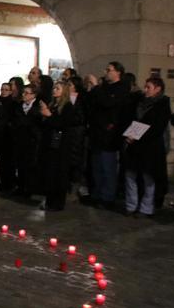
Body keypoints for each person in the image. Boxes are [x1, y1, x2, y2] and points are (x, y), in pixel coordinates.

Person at [123, 77, 171, 217]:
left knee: (148, 178)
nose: (145, 90)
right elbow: (134, 119)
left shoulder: (162, 104)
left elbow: (157, 126)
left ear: (157, 89)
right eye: (145, 86)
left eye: (148, 87)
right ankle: (131, 205)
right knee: (130, 175)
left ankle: (146, 207)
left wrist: (137, 135)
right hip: (134, 144)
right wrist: (130, 135)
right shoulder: (139, 102)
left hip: (150, 147)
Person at [85, 61, 129, 209]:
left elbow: (107, 103)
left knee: (108, 167)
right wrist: (91, 89)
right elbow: (93, 104)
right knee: (96, 167)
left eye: (109, 70)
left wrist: (96, 86)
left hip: (109, 135)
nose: (106, 72)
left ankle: (107, 197)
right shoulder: (104, 87)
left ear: (118, 72)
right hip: (97, 133)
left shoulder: (122, 88)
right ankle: (96, 194)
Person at [38, 81, 79, 211]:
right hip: (50, 144)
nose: (54, 90)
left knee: (59, 174)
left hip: (61, 145)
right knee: (49, 173)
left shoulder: (67, 107)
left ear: (64, 91)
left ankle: (57, 203)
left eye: (58, 88)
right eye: (54, 88)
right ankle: (49, 200)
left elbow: (62, 123)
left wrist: (49, 115)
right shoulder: (53, 105)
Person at [10, 85, 41, 198]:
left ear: (33, 95)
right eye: (23, 93)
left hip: (32, 141)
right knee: (20, 165)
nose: (23, 95)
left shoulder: (37, 107)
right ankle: (21, 187)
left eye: (27, 93)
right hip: (20, 140)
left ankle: (29, 188)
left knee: (30, 166)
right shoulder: (19, 107)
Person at [0, 82, 17, 193]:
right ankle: (3, 183)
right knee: (1, 161)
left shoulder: (13, 104)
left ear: (11, 91)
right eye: (2, 89)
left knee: (9, 162)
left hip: (9, 136)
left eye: (6, 89)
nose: (3, 91)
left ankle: (9, 184)